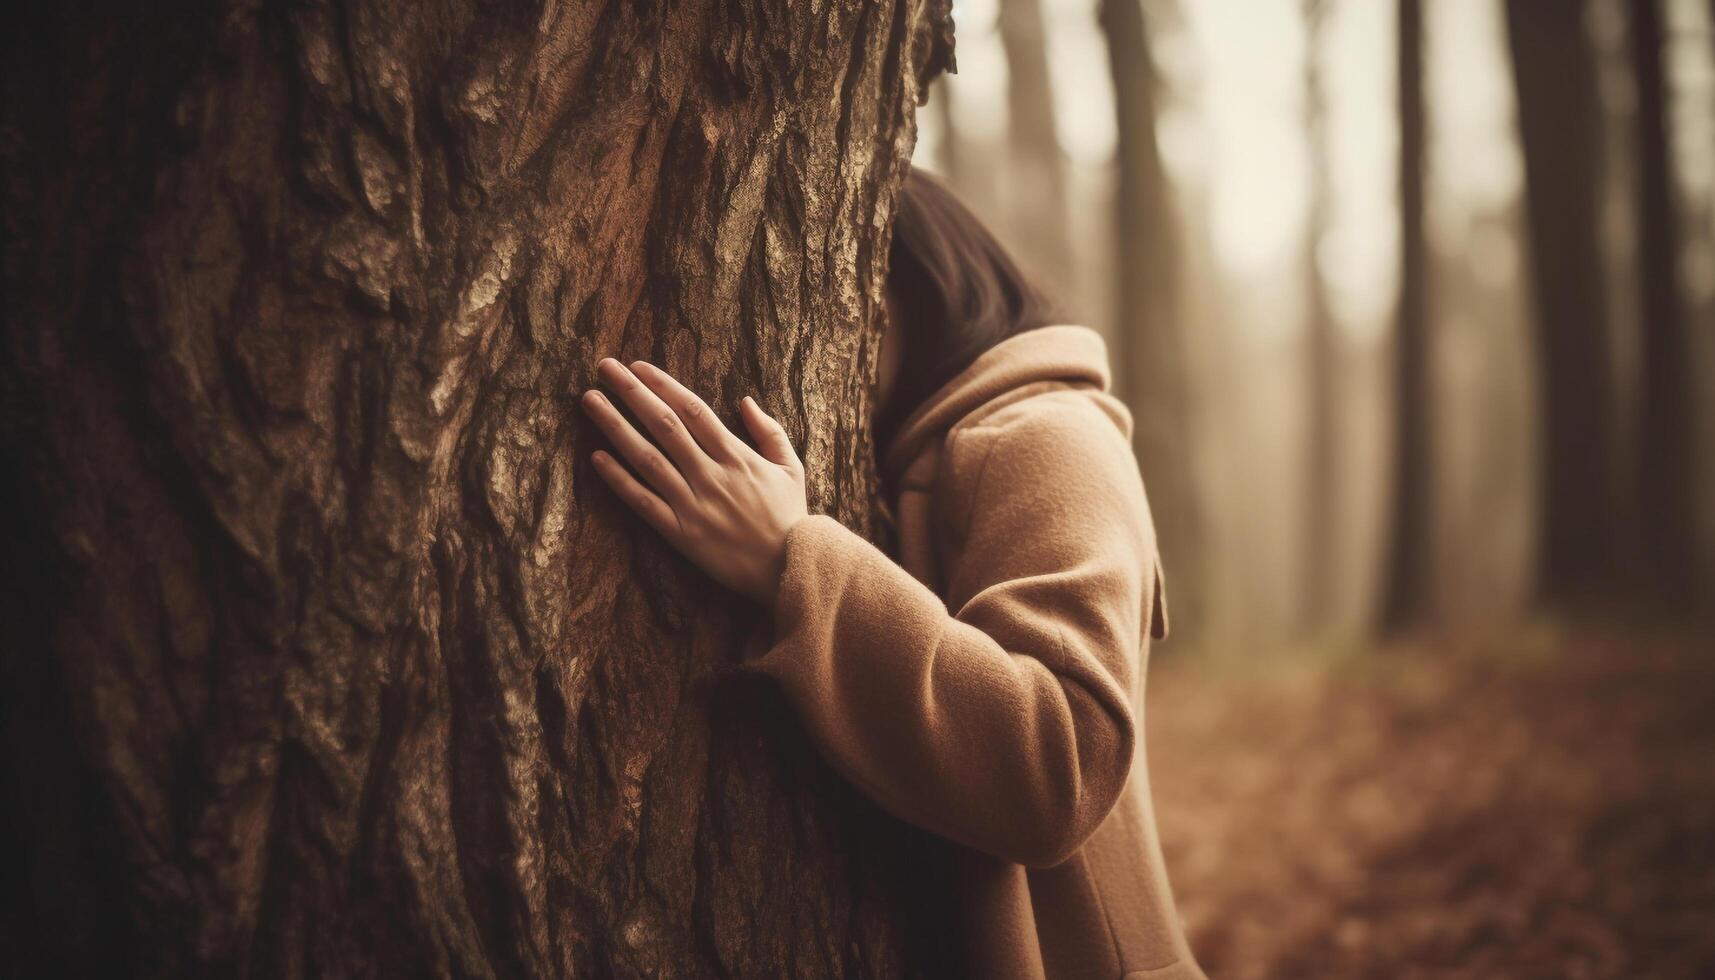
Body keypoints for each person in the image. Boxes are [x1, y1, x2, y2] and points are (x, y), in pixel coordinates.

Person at [578, 166, 1205, 980]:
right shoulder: (923, 458)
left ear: (916, 286)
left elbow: (1061, 765)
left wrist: (791, 559)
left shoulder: (1048, 434)